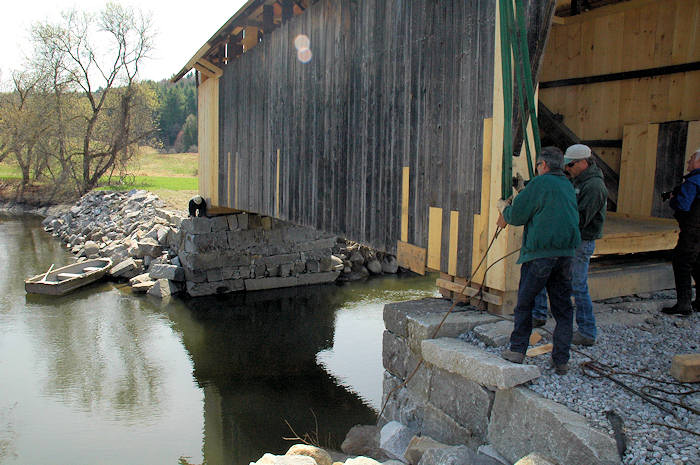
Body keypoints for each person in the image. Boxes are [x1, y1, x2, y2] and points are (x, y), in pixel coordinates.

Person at [498, 146, 581, 375]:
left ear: (542, 165)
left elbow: (516, 216)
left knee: (525, 303)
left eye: (537, 166)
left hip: (540, 255)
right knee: (563, 309)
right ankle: (561, 361)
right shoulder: (567, 184)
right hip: (566, 255)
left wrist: (503, 210)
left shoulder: (539, 184)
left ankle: (517, 351)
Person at [531, 144, 608, 346]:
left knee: (578, 285)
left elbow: (580, 219)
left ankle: (587, 331)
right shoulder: (578, 180)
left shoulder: (594, 187)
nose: (567, 168)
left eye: (571, 165)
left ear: (584, 162)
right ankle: (538, 314)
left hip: (581, 241)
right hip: (569, 237)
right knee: (543, 271)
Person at [662, 148, 700, 316]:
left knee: (682, 262)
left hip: (692, 231)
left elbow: (683, 206)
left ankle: (683, 304)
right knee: (698, 263)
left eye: (691, 158)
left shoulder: (693, 182)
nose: (688, 161)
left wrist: (673, 200)